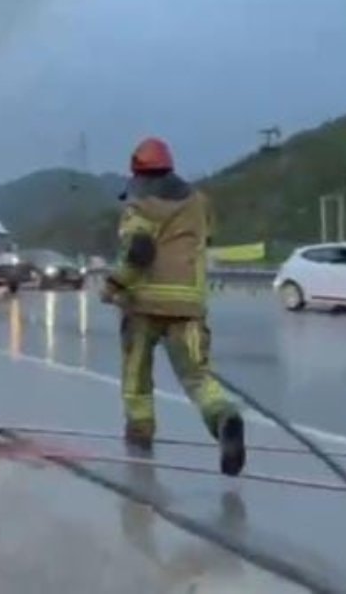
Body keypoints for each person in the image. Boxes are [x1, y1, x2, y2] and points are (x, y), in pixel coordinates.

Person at [101, 136, 246, 476]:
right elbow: (206, 240)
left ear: (137, 174)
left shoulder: (139, 205)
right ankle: (224, 417)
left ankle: (140, 433)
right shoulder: (199, 202)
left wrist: (114, 285)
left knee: (137, 374)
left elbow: (138, 252)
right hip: (189, 307)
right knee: (197, 376)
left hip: (143, 305)